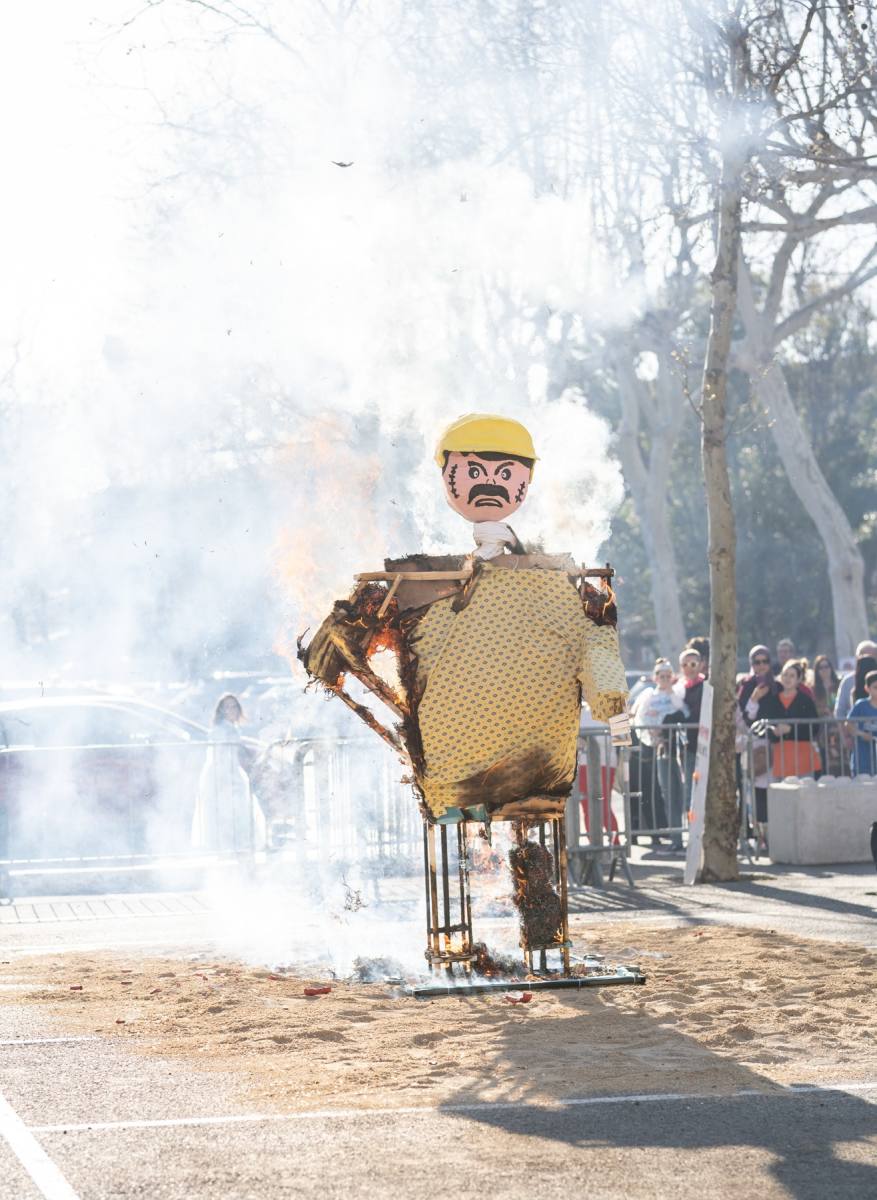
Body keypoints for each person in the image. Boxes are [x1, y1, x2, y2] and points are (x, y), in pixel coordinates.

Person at [192, 694, 266, 853]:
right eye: (227, 707)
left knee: (234, 812)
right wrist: (228, 778)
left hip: (229, 772)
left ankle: (234, 847)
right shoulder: (223, 730)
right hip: (222, 775)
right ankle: (233, 848)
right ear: (221, 711)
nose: (231, 710)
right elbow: (219, 756)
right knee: (231, 812)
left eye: (234, 706)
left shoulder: (228, 728)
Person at [631, 659, 686, 844]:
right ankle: (661, 832)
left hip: (674, 747)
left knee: (676, 790)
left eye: (667, 676)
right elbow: (640, 717)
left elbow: (682, 711)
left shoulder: (677, 692)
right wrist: (651, 732)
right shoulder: (648, 695)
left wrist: (670, 691)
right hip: (653, 747)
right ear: (655, 677)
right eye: (661, 676)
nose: (664, 679)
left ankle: (676, 833)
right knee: (658, 790)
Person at [751, 660, 822, 780]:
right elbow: (761, 725)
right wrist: (773, 730)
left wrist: (790, 729)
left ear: (799, 680)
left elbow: (814, 728)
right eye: (785, 674)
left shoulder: (805, 701)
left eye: (792, 675)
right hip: (780, 761)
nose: (787, 678)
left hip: (804, 761)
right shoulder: (773, 701)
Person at [810, 654, 842, 776]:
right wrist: (823, 711)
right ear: (816, 671)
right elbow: (813, 709)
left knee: (840, 759)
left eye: (826, 666)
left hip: (839, 729)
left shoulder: (839, 685)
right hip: (822, 732)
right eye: (821, 667)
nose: (824, 670)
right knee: (823, 757)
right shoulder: (813, 689)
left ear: (831, 668)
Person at [846, 665, 877, 776]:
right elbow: (848, 724)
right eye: (875, 687)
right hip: (862, 757)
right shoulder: (861, 705)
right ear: (867, 688)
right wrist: (861, 734)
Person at [835, 641, 877, 718]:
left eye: (871, 659)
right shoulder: (848, 681)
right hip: (857, 728)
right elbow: (840, 710)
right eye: (864, 658)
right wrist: (844, 729)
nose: (867, 663)